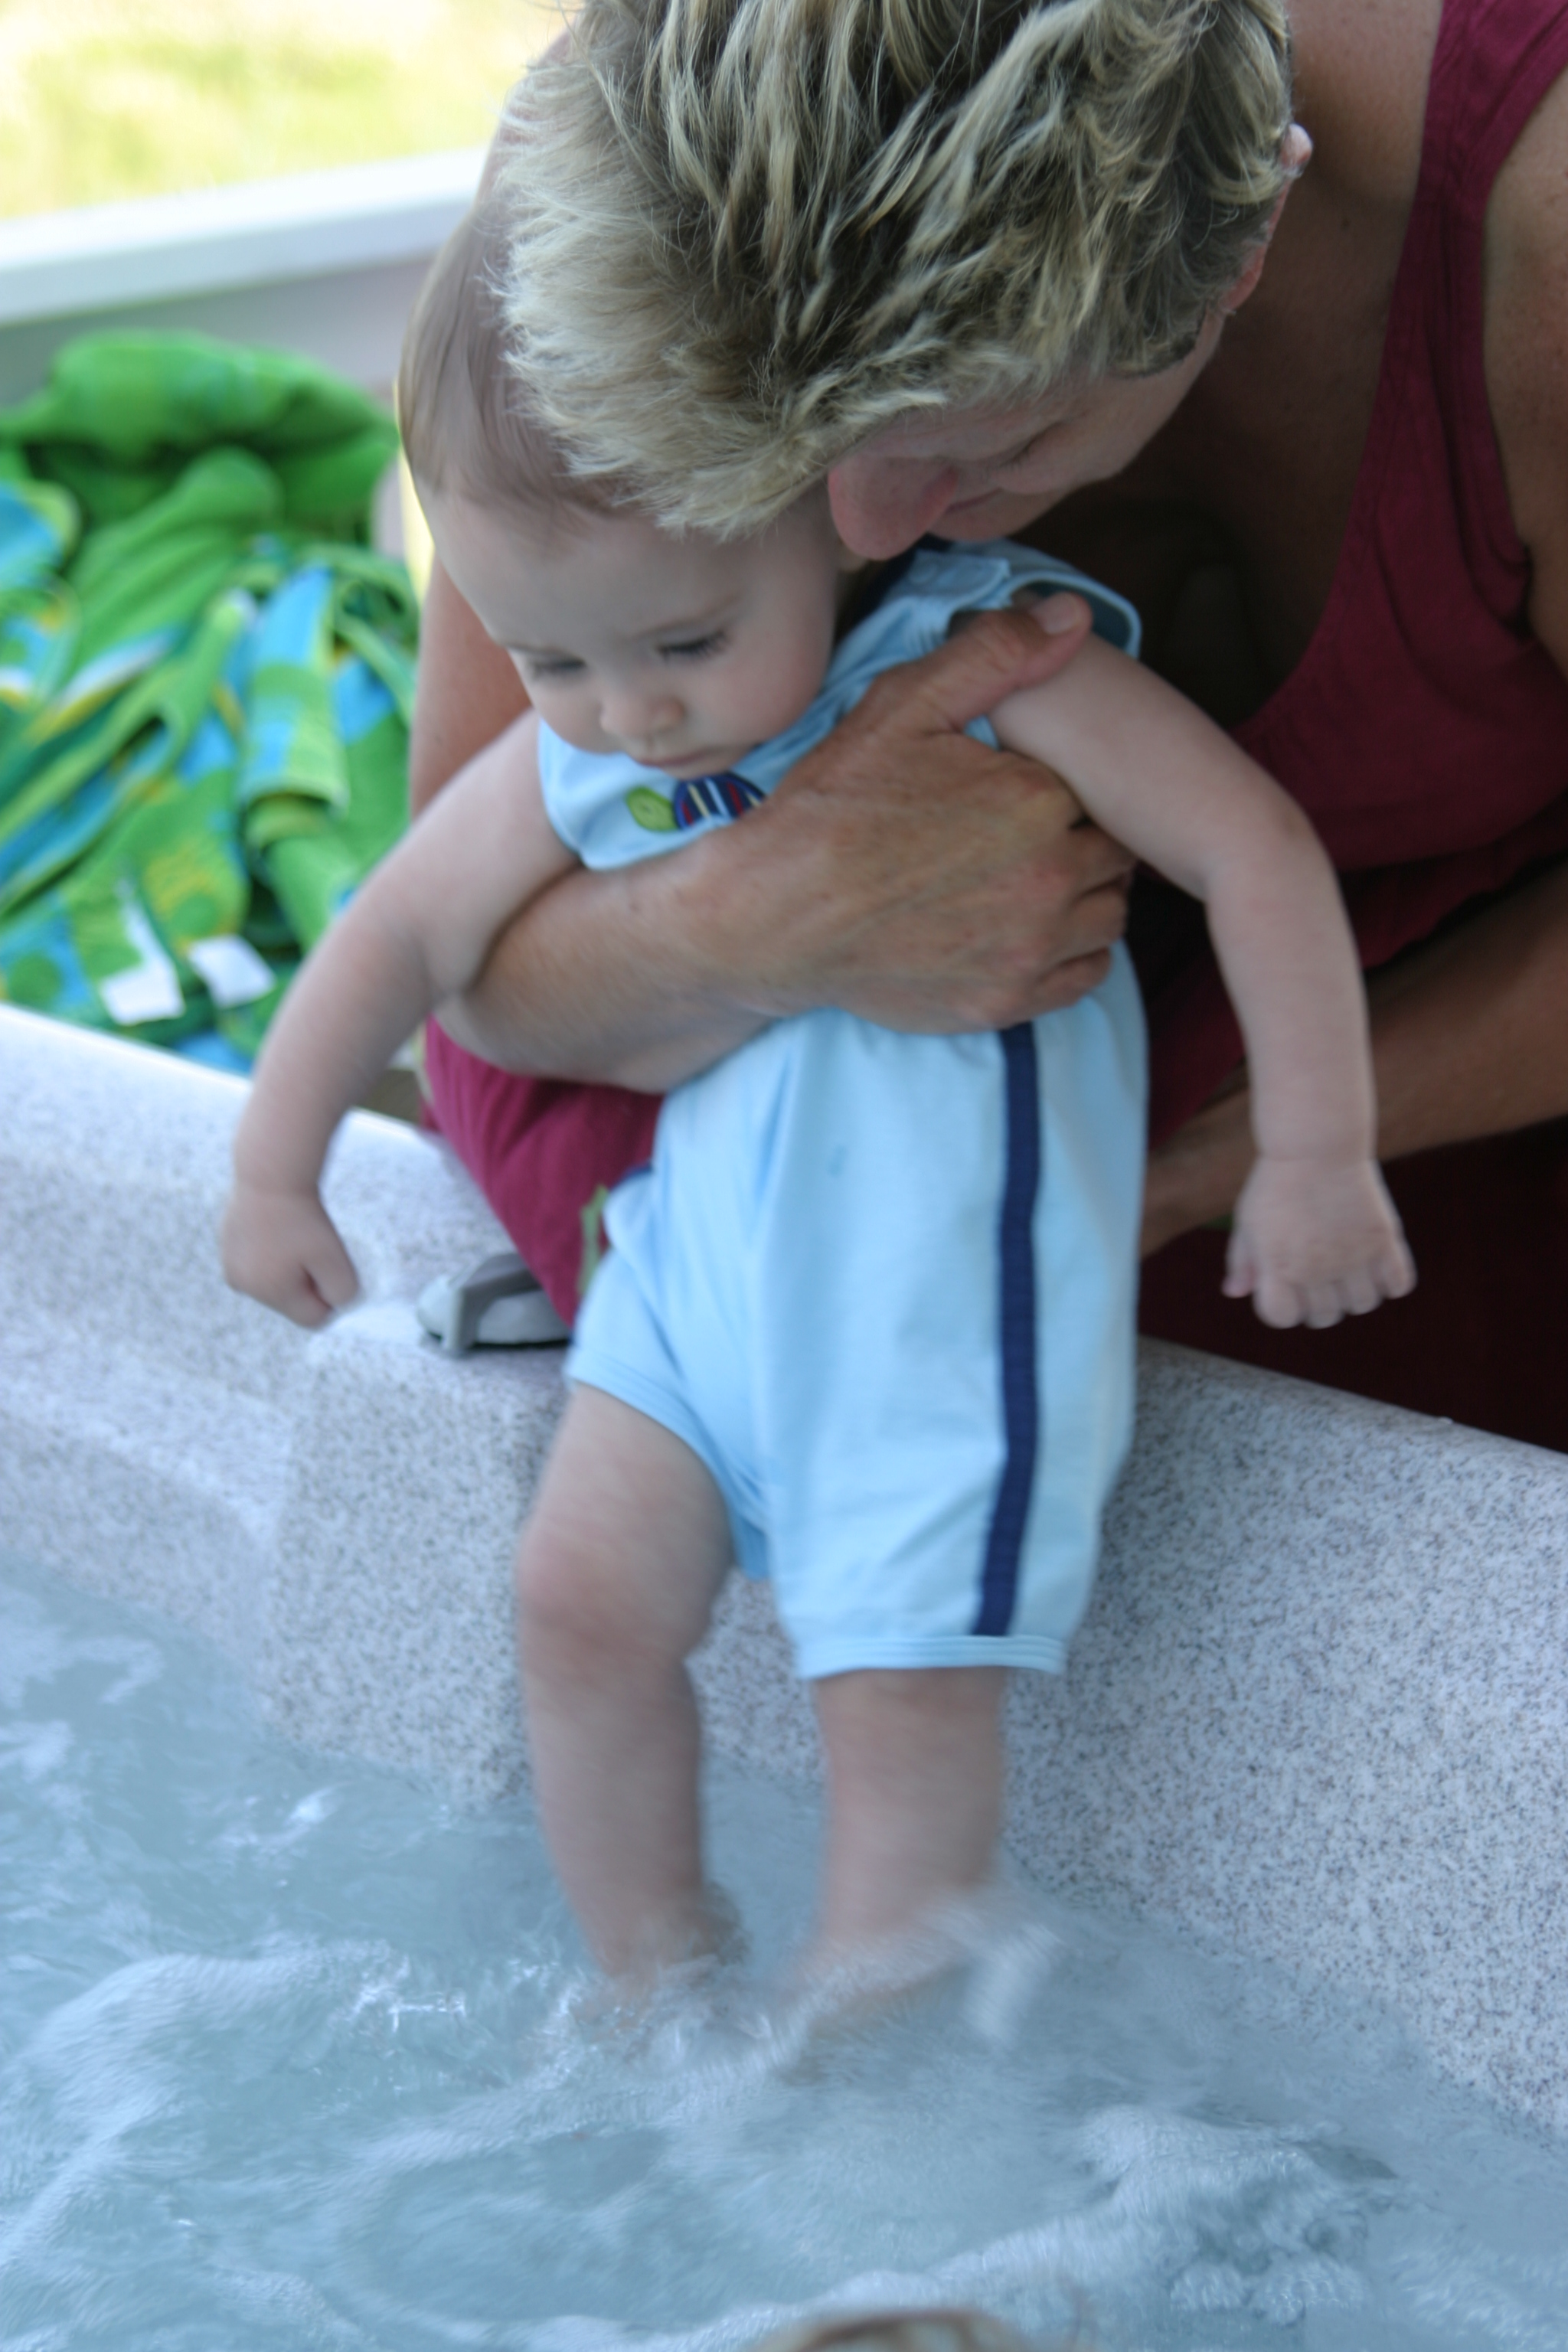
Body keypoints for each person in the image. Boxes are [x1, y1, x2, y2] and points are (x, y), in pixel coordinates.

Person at [220, 188, 1409, 1984]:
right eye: (552, 660)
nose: (629, 716)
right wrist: (272, 1167)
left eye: (684, 643)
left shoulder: (983, 659)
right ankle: (651, 1985)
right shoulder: (604, 717)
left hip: (937, 1317)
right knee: (571, 1603)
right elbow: (400, 936)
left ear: (831, 502)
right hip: (697, 1273)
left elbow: (1251, 848)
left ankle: (888, 2098)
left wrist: (1314, 1153)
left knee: (897, 1727)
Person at [413, 0, 1568, 1451]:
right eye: (790, 457)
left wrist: (1187, 1171)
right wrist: (769, 917)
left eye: (984, 448)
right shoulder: (634, 162)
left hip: (1426, 1083)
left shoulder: (1540, 239)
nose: (867, 530)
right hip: (815, 1060)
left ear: (1247, 241)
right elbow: (469, 962)